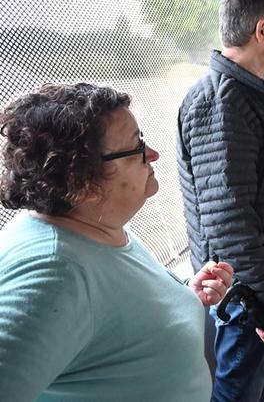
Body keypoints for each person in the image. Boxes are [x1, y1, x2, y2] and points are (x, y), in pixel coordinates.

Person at [0, 83, 234, 401]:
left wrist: (183, 294)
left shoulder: (96, 226)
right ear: (81, 179)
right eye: (137, 147)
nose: (152, 154)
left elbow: (111, 312)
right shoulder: (51, 273)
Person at [177, 0, 264, 402]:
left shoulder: (252, 91)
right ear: (261, 30)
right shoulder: (222, 102)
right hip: (248, 293)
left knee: (257, 384)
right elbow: (230, 221)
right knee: (239, 390)